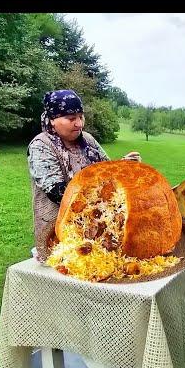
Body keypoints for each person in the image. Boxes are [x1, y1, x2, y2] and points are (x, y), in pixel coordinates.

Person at [28, 89, 140, 263]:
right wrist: (101, 200)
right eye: (71, 119)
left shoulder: (87, 139)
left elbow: (106, 170)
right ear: (52, 119)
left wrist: (125, 165)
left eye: (81, 117)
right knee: (64, 274)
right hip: (57, 228)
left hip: (94, 225)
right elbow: (59, 193)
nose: (79, 124)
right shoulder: (41, 146)